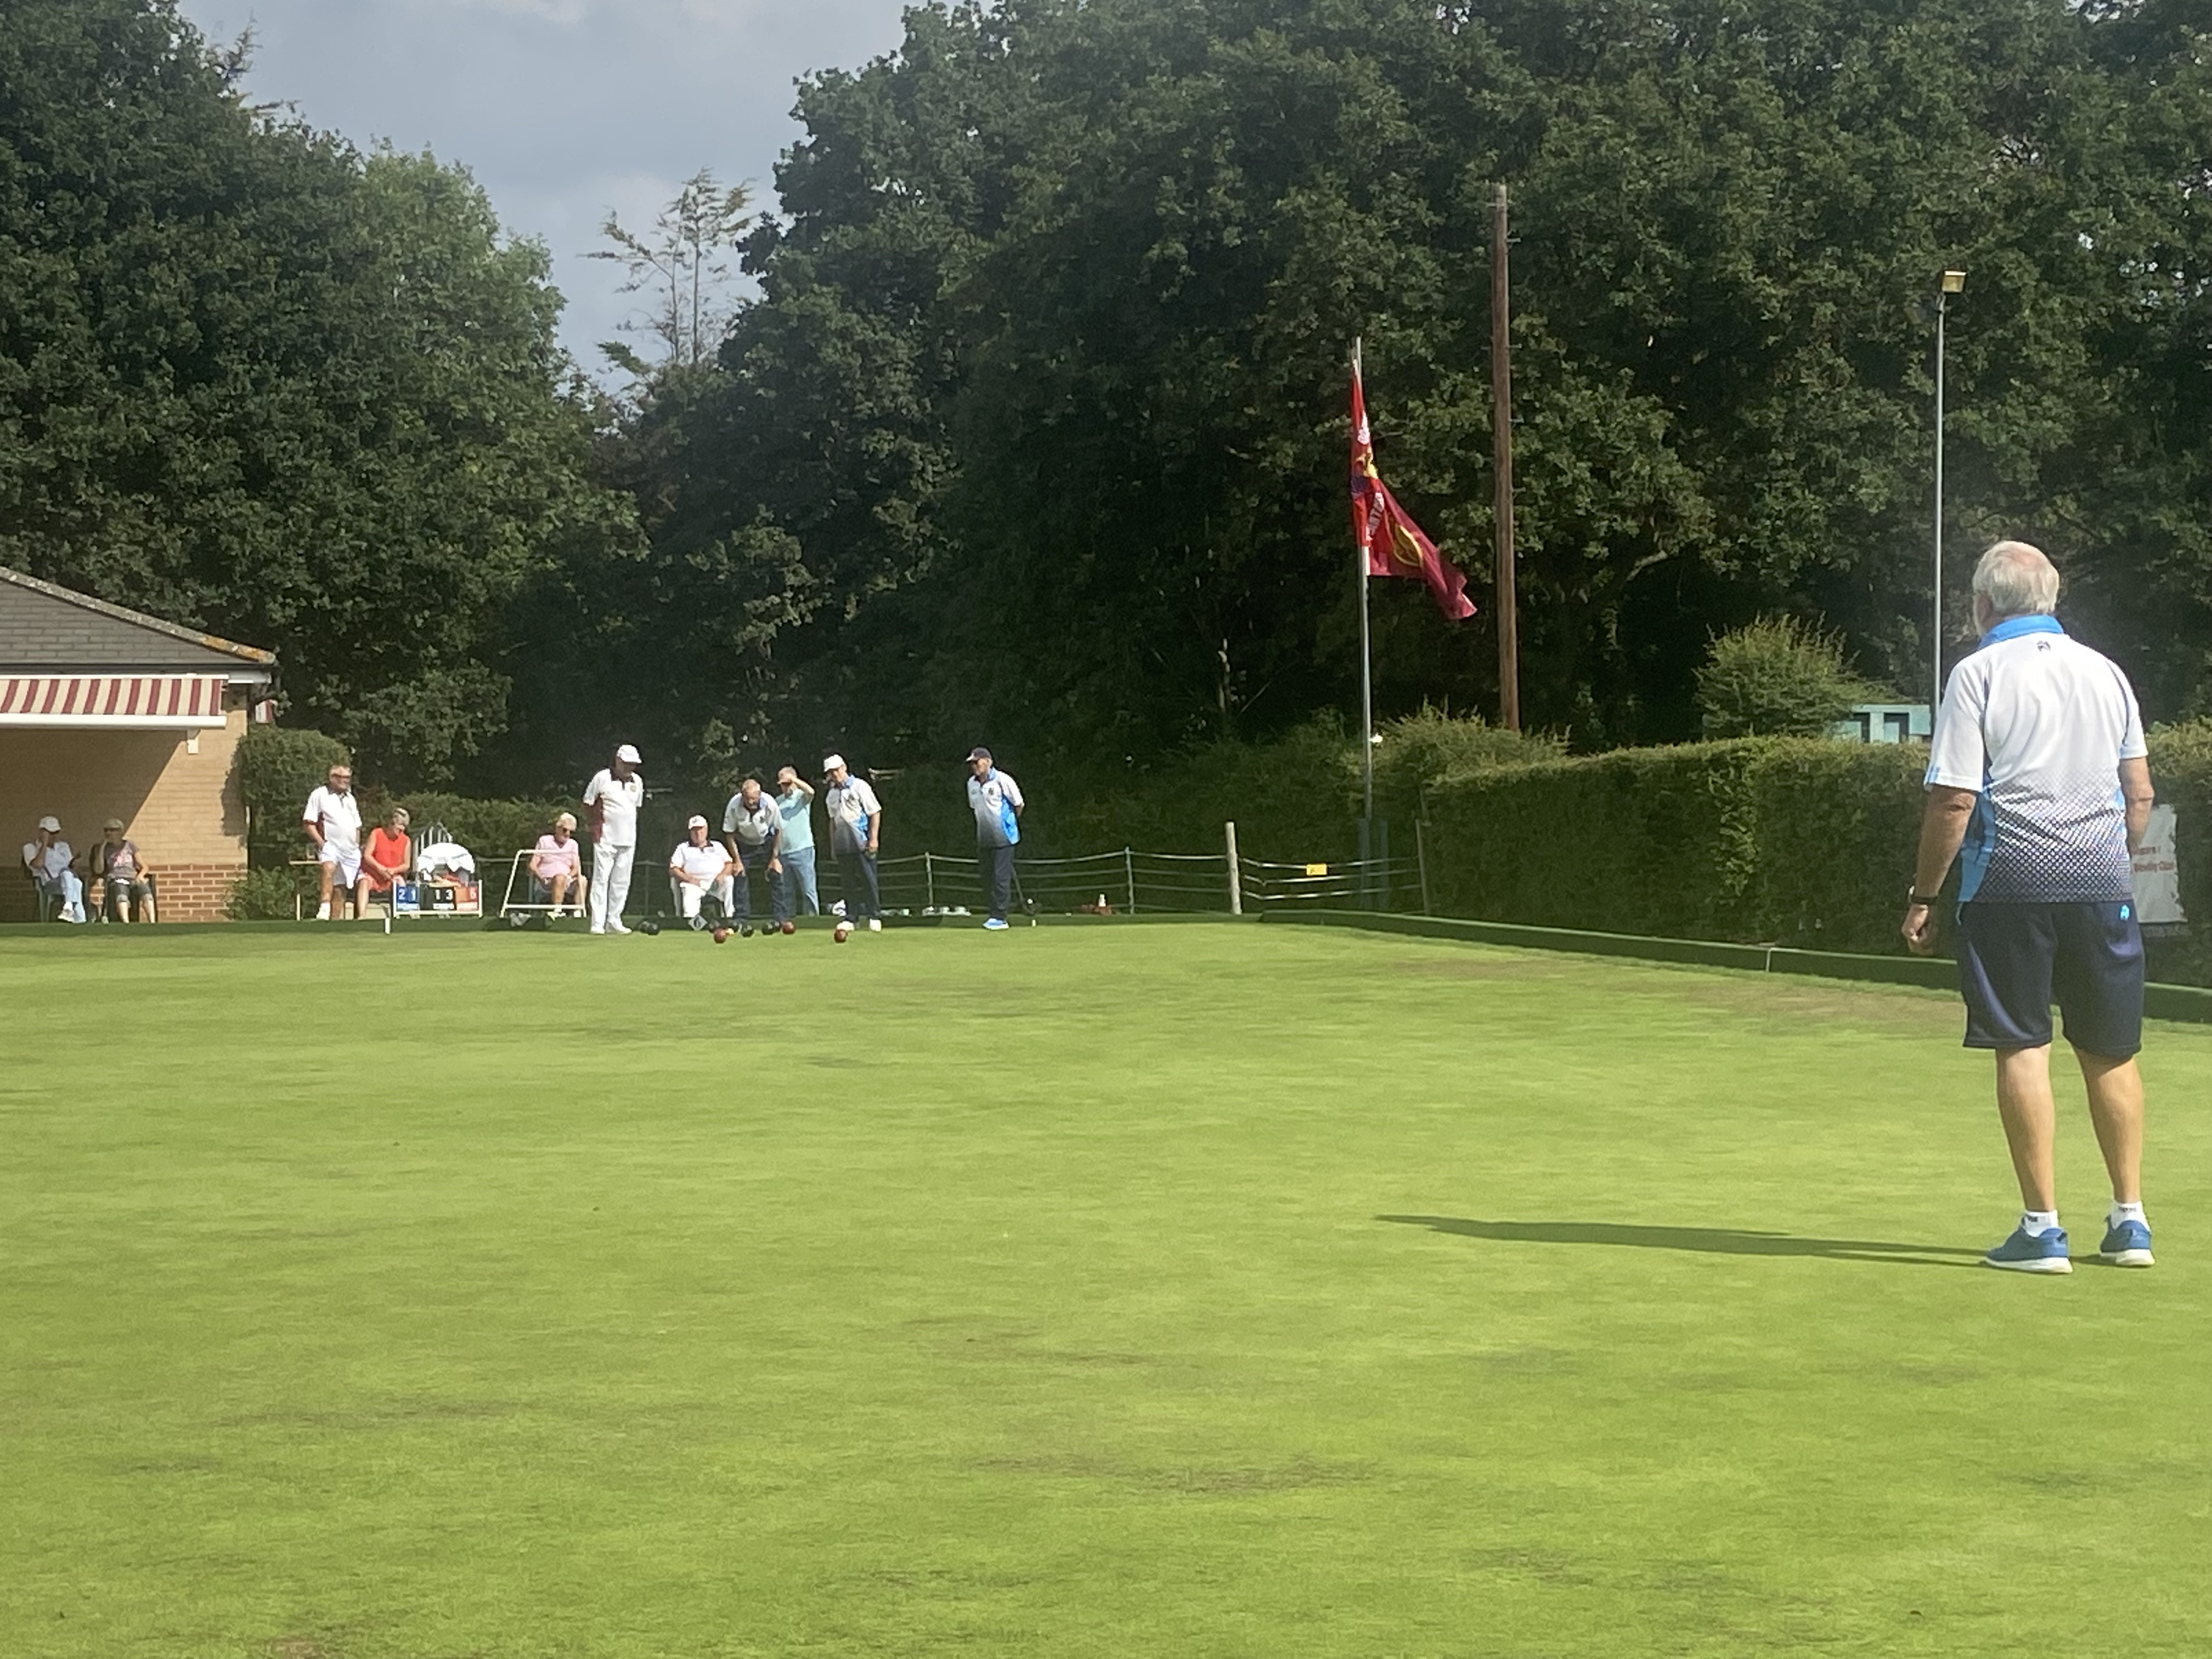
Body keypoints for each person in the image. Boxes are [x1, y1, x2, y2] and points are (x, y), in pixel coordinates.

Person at [1904, 540, 2157, 1274]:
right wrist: (2113, 859)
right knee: (2111, 1050)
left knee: (2023, 1045)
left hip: (2008, 887)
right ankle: (2130, 1221)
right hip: (2103, 887)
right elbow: (2138, 793)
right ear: (2052, 599)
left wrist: (1924, 895)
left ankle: (2043, 1231)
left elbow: (1955, 798)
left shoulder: (1977, 672)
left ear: (1984, 605)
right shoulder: (2106, 672)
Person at [583, 743, 645, 935]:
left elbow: (636, 808)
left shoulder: (638, 781)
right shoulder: (602, 778)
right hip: (605, 838)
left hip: (628, 839)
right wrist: (594, 827)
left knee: (622, 881)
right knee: (601, 879)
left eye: (633, 764)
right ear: (618, 760)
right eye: (627, 763)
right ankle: (597, 922)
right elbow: (588, 803)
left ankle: (614, 919)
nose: (630, 768)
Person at [721, 775, 789, 935]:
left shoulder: (770, 804)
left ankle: (781, 917)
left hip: (766, 841)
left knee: (776, 873)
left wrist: (775, 858)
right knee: (740, 875)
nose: (750, 802)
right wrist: (737, 860)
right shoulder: (734, 805)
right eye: (747, 798)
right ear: (742, 795)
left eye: (753, 798)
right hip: (744, 843)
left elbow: (779, 830)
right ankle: (741, 918)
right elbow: (729, 833)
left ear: (759, 795)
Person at [822, 754, 883, 932]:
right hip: (843, 843)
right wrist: (833, 846)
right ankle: (852, 917)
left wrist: (874, 838)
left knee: (868, 879)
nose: (834, 775)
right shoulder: (831, 794)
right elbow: (833, 821)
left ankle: (874, 915)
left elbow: (875, 812)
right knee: (848, 882)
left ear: (844, 768)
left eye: (836, 770)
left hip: (862, 840)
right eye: (830, 773)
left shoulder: (860, 786)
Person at [966, 746, 1024, 930]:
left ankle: (1001, 917)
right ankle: (993, 913)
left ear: (988, 762)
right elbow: (974, 808)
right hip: (984, 838)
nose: (974, 766)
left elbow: (1019, 804)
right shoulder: (971, 784)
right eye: (972, 763)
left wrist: (1009, 823)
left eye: (977, 762)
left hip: (1005, 837)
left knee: (1001, 877)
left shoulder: (1002, 780)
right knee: (987, 877)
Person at [302, 763, 366, 921]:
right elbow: (309, 822)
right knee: (328, 868)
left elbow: (357, 825)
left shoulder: (350, 799)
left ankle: (334, 922)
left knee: (340, 888)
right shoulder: (320, 794)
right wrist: (321, 843)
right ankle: (324, 908)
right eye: (341, 777)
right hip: (330, 845)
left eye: (347, 778)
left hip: (350, 850)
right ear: (332, 778)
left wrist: (356, 845)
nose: (345, 781)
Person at [668, 814, 736, 928]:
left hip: (716, 883)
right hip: (694, 884)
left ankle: (729, 919)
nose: (698, 834)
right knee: (688, 890)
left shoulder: (717, 846)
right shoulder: (683, 848)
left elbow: (729, 864)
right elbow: (673, 869)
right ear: (690, 832)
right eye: (694, 830)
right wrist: (690, 879)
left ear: (706, 830)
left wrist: (721, 876)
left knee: (729, 880)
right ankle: (694, 925)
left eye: (700, 830)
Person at [774, 765, 821, 917]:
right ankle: (789, 921)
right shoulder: (777, 802)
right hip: (784, 852)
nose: (785, 787)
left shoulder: (802, 797)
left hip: (803, 850)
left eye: (787, 784)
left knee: (808, 889)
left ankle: (813, 921)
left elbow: (812, 791)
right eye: (782, 784)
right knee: (787, 891)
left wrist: (793, 779)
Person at [22, 815, 86, 923]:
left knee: (75, 881)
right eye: (50, 833)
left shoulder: (63, 846)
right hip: (50, 882)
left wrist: (76, 863)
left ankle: (71, 911)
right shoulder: (30, 848)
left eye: (56, 833)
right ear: (42, 832)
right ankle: (78, 916)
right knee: (74, 881)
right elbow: (38, 864)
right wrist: (44, 845)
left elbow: (71, 867)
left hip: (68, 881)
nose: (54, 836)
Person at [92, 818, 156, 923]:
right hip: (116, 879)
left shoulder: (130, 845)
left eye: (112, 830)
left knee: (147, 894)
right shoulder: (105, 848)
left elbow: (144, 866)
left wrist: (140, 876)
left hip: (133, 878)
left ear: (120, 831)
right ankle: (126, 923)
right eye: (106, 830)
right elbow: (99, 870)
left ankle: (152, 923)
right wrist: (102, 848)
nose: (108, 833)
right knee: (122, 896)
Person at [530, 811, 586, 918]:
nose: (568, 834)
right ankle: (557, 910)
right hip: (547, 881)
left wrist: (569, 878)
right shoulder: (544, 841)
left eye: (571, 832)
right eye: (565, 830)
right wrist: (542, 879)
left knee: (582, 880)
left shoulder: (573, 844)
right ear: (558, 828)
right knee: (560, 877)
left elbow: (576, 867)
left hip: (567, 880)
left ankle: (578, 912)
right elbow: (533, 865)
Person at [363, 808, 412, 910]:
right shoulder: (377, 833)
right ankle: (361, 916)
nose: (402, 829)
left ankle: (402, 913)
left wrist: (394, 870)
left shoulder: (406, 841)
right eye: (399, 826)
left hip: (393, 875)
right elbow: (367, 855)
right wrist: (379, 868)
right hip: (374, 874)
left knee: (400, 883)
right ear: (391, 824)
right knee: (364, 882)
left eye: (404, 826)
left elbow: (406, 865)